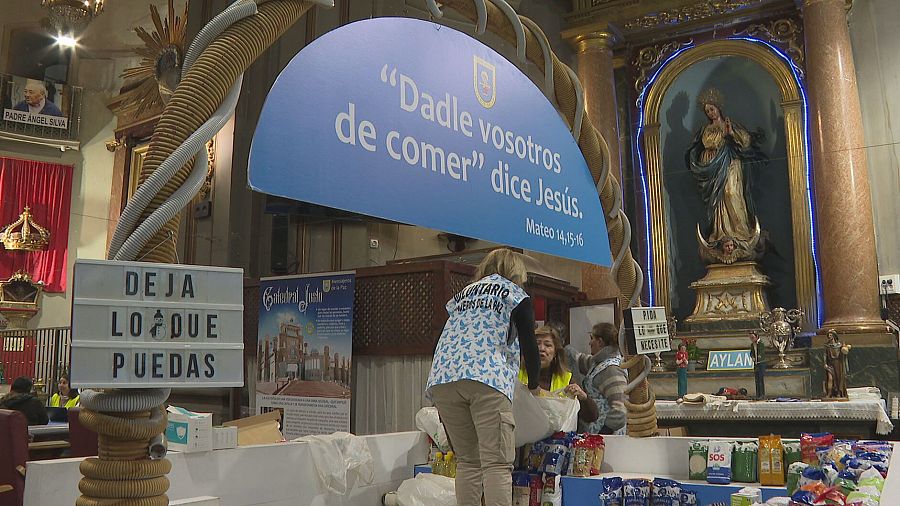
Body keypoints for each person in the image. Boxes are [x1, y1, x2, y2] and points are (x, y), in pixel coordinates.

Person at [426, 248, 541, 506]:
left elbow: (442, 339)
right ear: (516, 272)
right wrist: (534, 385)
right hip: (487, 377)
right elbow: (529, 344)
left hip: (443, 378)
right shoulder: (515, 294)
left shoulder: (462, 296)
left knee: (468, 461)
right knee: (496, 463)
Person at [686, 87, 766, 258]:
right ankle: (722, 234)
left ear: (718, 108)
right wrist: (722, 136)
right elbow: (708, 143)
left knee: (732, 193)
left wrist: (731, 133)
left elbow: (745, 141)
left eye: (712, 109)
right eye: (707, 111)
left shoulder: (731, 124)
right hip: (714, 168)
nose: (710, 113)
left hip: (731, 164)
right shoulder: (707, 129)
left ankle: (741, 234)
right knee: (719, 200)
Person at [521, 326, 599, 427]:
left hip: (557, 436)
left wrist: (583, 397)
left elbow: (592, 417)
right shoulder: (516, 376)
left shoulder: (566, 379)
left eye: (548, 345)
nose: (541, 349)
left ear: (555, 353)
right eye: (537, 344)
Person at [565, 322, 627, 434]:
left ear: (600, 342)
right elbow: (580, 360)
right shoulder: (599, 362)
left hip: (606, 436)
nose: (589, 343)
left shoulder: (612, 370)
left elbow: (620, 409)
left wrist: (604, 434)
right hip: (594, 434)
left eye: (592, 338)